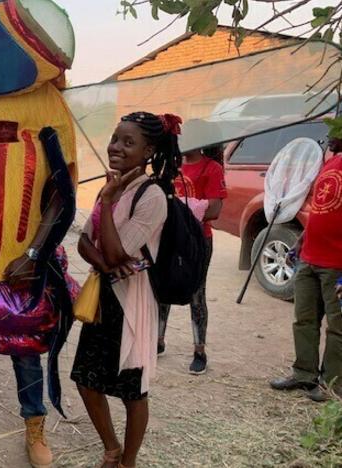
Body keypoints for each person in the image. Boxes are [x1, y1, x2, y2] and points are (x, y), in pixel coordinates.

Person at [73, 112, 181, 468]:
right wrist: (106, 264)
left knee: (132, 390)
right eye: (115, 138)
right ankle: (111, 447)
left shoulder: (152, 197)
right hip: (103, 295)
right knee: (87, 381)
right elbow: (85, 243)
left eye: (128, 142)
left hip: (131, 302)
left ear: (148, 150)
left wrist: (106, 202)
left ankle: (128, 461)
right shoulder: (114, 186)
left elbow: (119, 250)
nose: (116, 147)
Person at [270, 134, 342, 402]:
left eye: (335, 130)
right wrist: (300, 242)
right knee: (304, 319)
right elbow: (320, 210)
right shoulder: (330, 163)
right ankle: (304, 374)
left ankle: (331, 384)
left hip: (338, 266)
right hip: (310, 258)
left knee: (338, 327)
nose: (329, 136)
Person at [157, 145, 226, 374]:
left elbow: (214, 209)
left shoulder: (212, 168)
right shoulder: (171, 164)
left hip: (198, 239)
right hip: (169, 236)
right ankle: (158, 339)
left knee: (197, 292)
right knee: (163, 285)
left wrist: (179, 215)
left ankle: (199, 350)